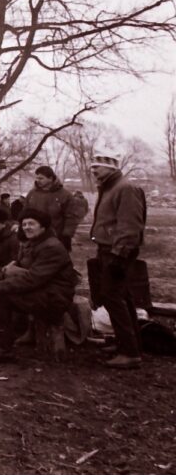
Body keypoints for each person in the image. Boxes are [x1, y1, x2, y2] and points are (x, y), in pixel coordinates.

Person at [0, 208, 78, 363]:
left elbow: (33, 278)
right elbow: (17, 265)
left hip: (55, 296)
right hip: (42, 291)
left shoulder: (51, 247)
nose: (27, 227)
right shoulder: (34, 242)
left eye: (32, 224)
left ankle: (3, 349)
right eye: (24, 224)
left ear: (43, 226)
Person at [89, 150, 147, 369]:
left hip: (118, 251)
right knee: (122, 296)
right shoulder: (110, 187)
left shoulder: (125, 188)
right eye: (92, 166)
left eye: (98, 166)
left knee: (112, 296)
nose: (93, 170)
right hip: (109, 249)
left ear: (112, 167)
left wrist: (119, 256)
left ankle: (130, 353)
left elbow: (130, 225)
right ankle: (129, 344)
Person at [25, 166, 83, 251]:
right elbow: (25, 213)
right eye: (37, 178)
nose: (38, 180)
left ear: (50, 178)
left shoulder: (65, 195)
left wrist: (67, 235)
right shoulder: (32, 194)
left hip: (56, 237)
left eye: (41, 178)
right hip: (34, 237)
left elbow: (71, 217)